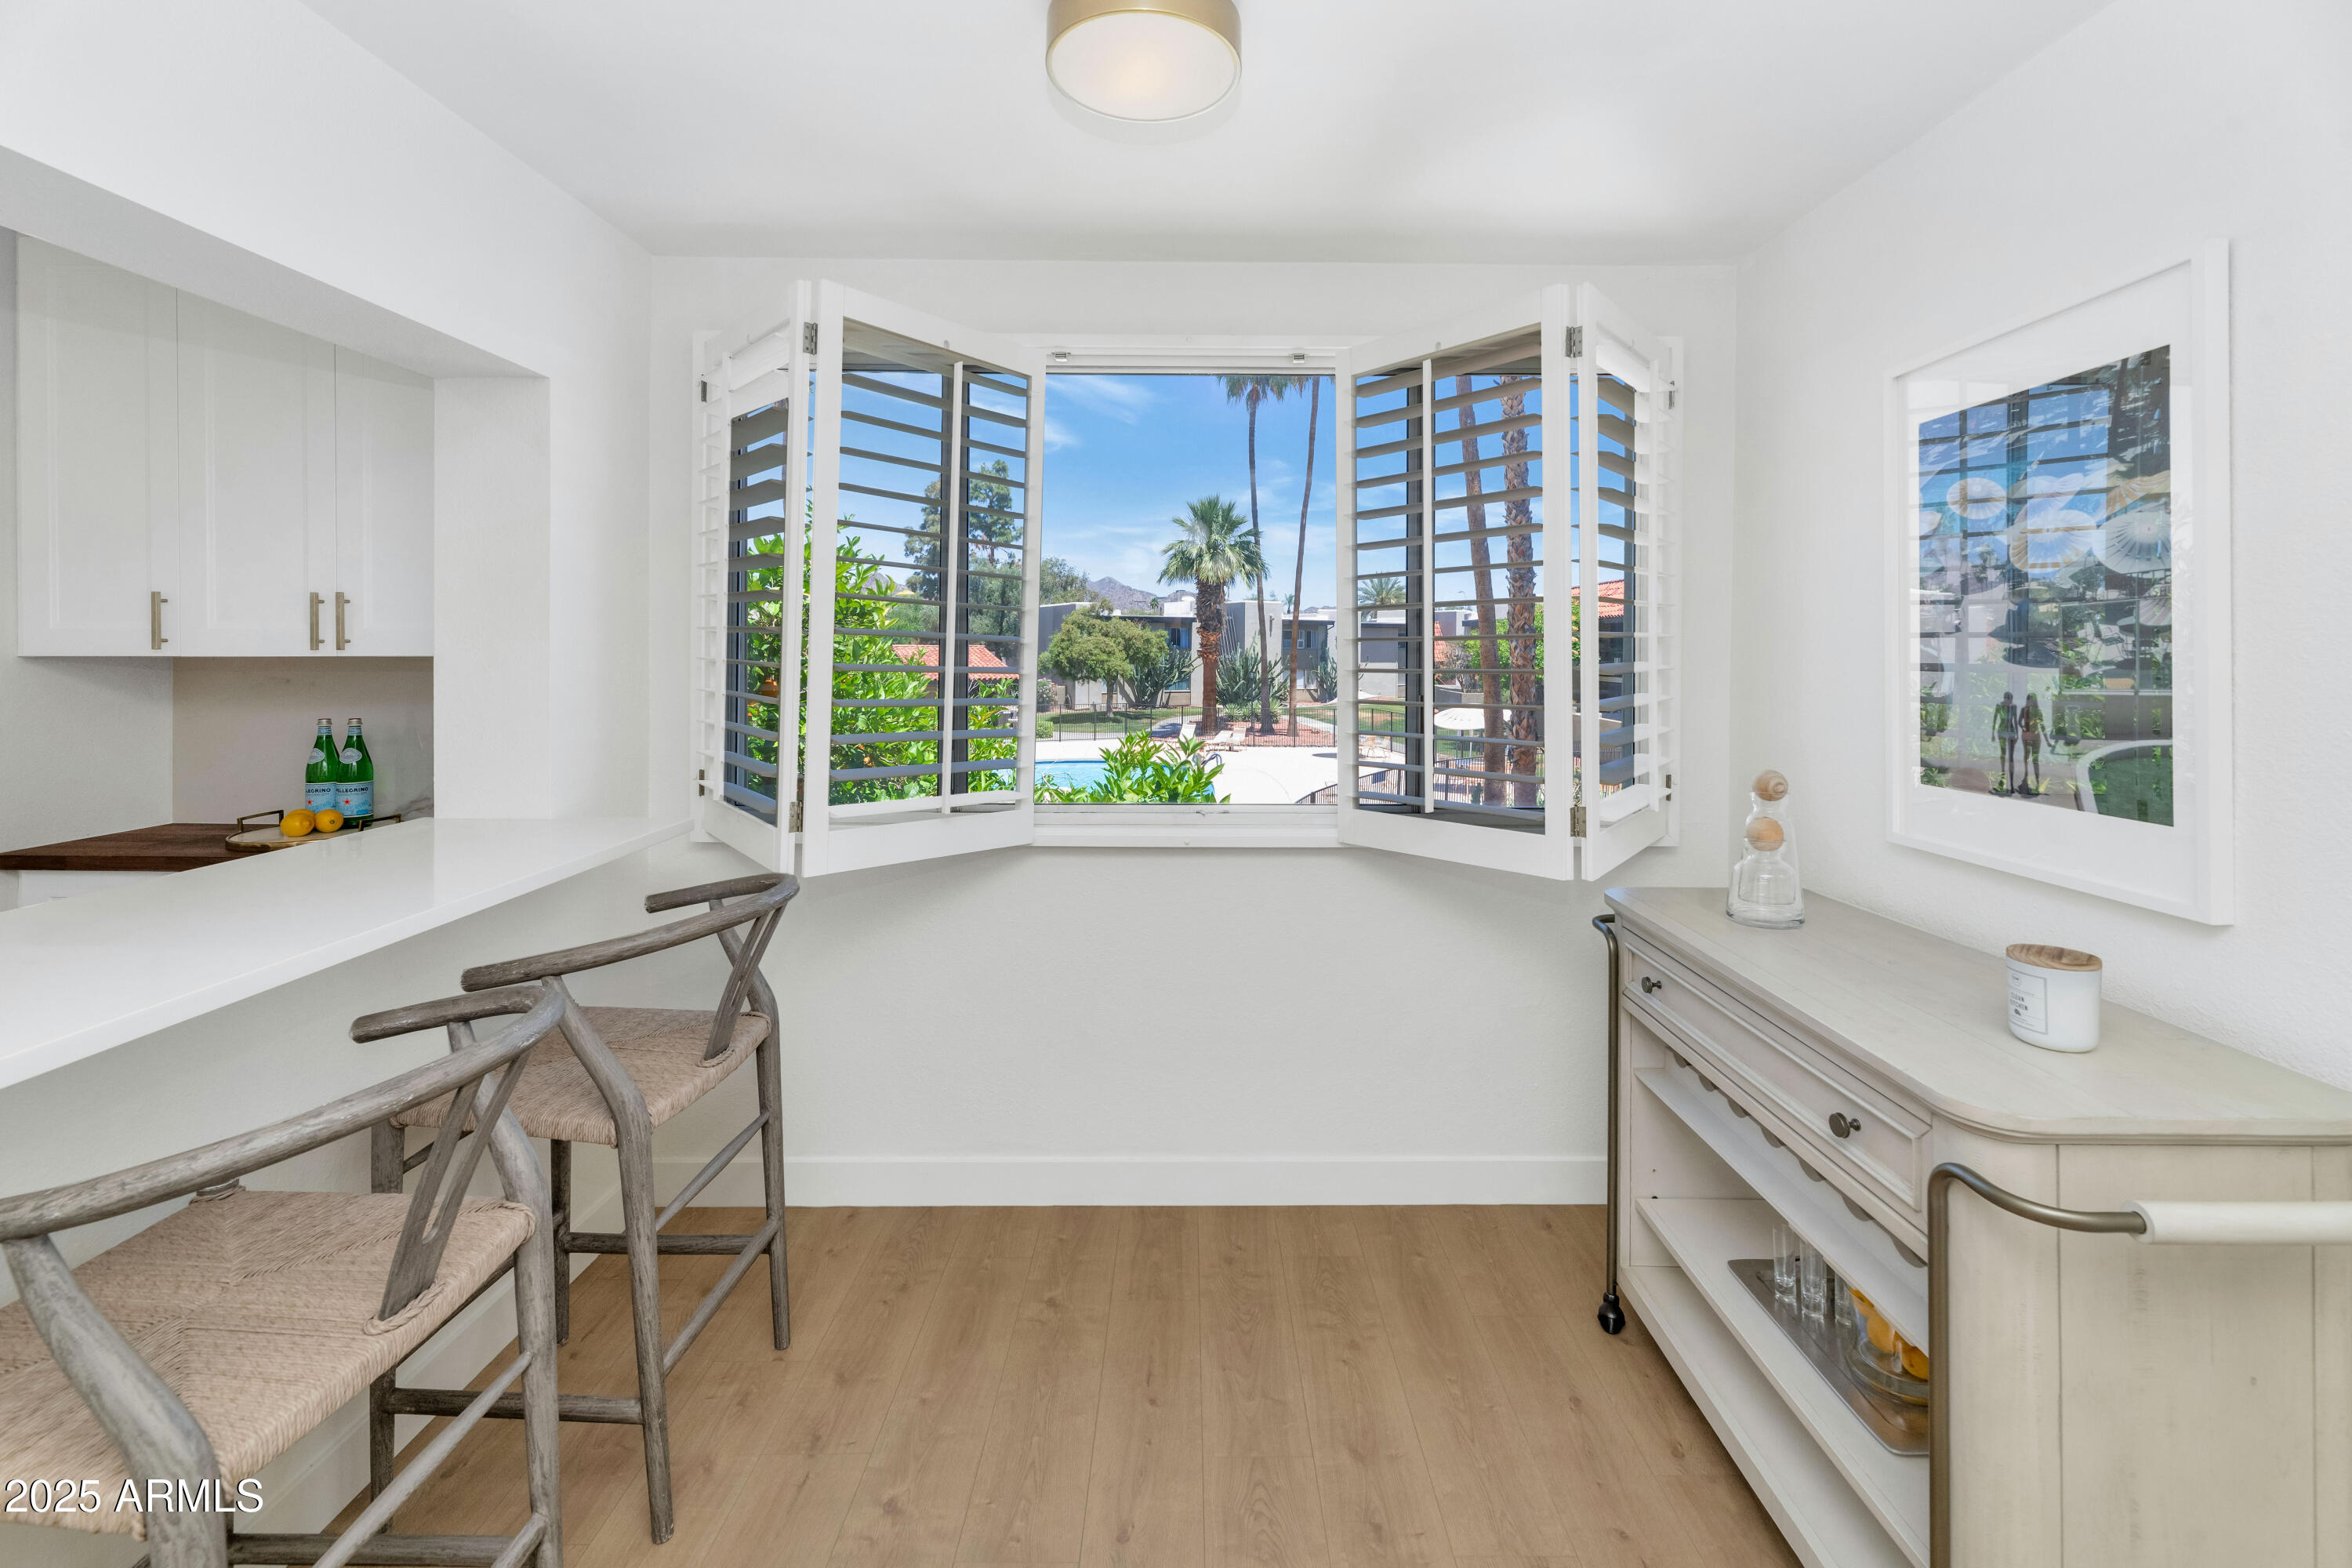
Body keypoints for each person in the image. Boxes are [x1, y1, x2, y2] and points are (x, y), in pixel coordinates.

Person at [1991, 691, 2020, 794]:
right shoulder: (1999, 706)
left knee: (2010, 758)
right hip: (2003, 732)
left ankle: (2011, 785)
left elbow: (2015, 721)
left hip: (2010, 732)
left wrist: (2017, 734)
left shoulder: (2013, 706)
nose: (2010, 701)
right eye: (2009, 699)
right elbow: (1995, 719)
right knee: (2003, 756)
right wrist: (1992, 734)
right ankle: (2004, 783)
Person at [2020, 693, 2045, 797]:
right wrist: (2022, 727)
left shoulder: (2038, 711)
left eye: (2031, 700)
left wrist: (2047, 740)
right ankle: (2026, 776)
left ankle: (2037, 781)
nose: (2030, 702)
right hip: (2026, 736)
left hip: (2036, 737)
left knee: (2035, 759)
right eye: (2028, 700)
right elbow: (2019, 722)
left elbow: (2042, 726)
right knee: (2026, 756)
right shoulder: (2024, 710)